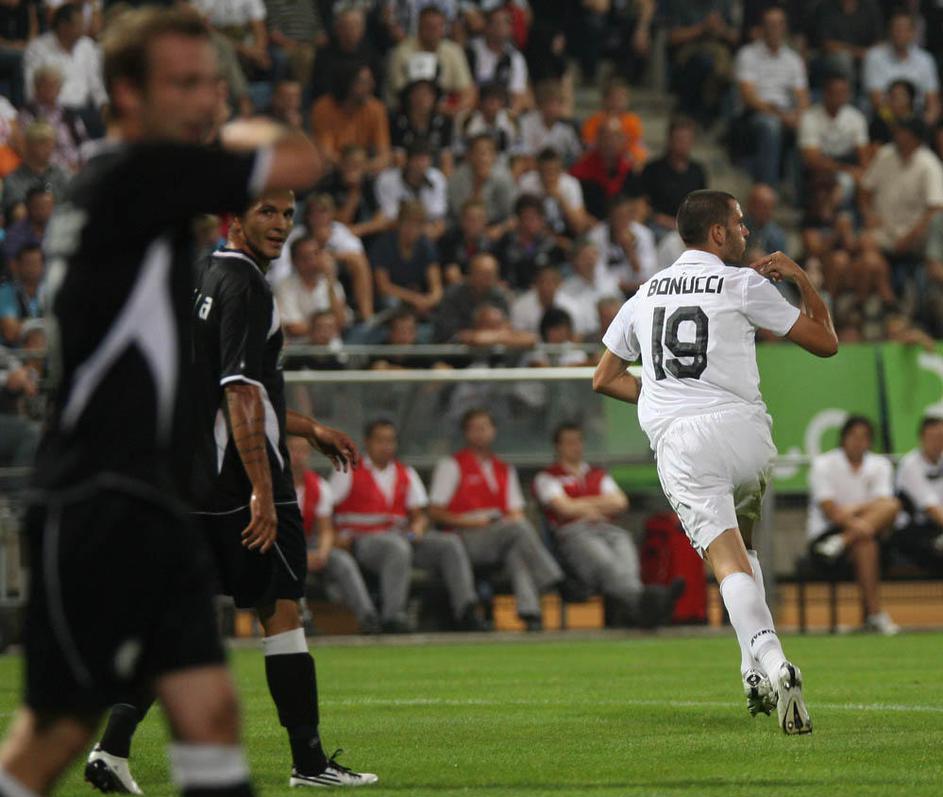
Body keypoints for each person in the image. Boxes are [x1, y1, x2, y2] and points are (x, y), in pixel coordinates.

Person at [0, 7, 324, 797]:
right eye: (184, 83)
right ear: (125, 94)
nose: (206, 100)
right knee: (53, 733)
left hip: (147, 495)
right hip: (98, 497)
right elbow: (299, 157)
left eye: (210, 83)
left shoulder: (113, 186)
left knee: (206, 709)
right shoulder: (143, 178)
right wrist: (236, 122)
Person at [89, 190, 379, 790]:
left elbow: (220, 393)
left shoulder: (204, 275)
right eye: (267, 211)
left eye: (288, 214)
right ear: (235, 218)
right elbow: (241, 393)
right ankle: (308, 762)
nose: (281, 224)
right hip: (239, 480)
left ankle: (110, 750)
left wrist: (310, 428)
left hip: (190, 479)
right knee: (282, 610)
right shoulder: (247, 286)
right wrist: (262, 490)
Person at [594, 189, 839, 733]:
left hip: (686, 443)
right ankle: (750, 672)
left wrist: (661, 396)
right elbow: (826, 342)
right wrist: (800, 277)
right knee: (745, 549)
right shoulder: (742, 283)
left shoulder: (643, 294)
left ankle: (773, 662)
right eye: (740, 223)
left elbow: (604, 377)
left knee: (727, 563)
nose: (746, 232)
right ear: (718, 233)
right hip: (747, 434)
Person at [331, 419, 489, 632]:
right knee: (397, 547)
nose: (386, 446)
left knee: (449, 543)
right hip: (363, 542)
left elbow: (419, 515)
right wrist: (335, 537)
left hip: (402, 538)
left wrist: (418, 527)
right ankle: (393, 616)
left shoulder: (405, 472)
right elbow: (326, 509)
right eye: (380, 441)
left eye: (390, 441)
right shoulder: (349, 470)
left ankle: (466, 610)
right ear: (367, 442)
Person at [428, 408, 564, 631]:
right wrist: (474, 522)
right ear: (466, 433)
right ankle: (553, 580)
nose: (480, 433)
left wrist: (503, 522)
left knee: (517, 547)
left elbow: (516, 511)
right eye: (474, 429)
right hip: (464, 538)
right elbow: (435, 512)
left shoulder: (504, 469)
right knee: (517, 531)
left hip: (498, 534)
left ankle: (530, 613)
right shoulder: (451, 465)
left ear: (493, 431)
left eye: (484, 427)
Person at [534, 423, 681, 627]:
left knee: (627, 559)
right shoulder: (548, 477)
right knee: (607, 563)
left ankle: (643, 607)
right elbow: (564, 508)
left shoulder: (597, 474)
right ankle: (651, 602)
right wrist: (599, 504)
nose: (575, 447)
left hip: (609, 530)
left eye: (578, 441)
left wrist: (579, 505)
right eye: (569, 442)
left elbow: (620, 502)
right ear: (558, 447)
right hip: (573, 535)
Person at [807, 415, 902, 634]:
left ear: (870, 441)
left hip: (855, 537)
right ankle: (875, 615)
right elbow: (830, 510)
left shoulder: (880, 465)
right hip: (825, 536)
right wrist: (859, 518)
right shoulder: (823, 465)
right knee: (866, 538)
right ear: (843, 438)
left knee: (891, 508)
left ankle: (842, 541)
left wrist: (853, 510)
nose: (858, 442)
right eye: (853, 436)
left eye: (864, 437)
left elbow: (886, 504)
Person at [288, 435, 381, 635]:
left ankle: (368, 617)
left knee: (342, 560)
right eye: (293, 450)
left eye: (303, 451)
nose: (298, 456)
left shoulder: (318, 485)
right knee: (289, 561)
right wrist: (301, 555)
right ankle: (302, 618)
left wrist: (322, 553)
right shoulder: (270, 485)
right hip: (280, 546)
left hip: (309, 543)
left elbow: (326, 529)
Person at [734, 6, 810, 187]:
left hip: (787, 112)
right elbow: (748, 97)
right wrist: (781, 116)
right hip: (756, 113)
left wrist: (799, 116)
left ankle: (799, 194)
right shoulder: (747, 55)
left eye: (779, 24)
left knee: (807, 127)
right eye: (770, 24)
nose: (775, 29)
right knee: (771, 126)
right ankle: (769, 189)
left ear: (785, 27)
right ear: (762, 28)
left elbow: (803, 97)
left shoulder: (793, 59)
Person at [310, 61, 391, 176]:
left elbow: (384, 155)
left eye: (370, 81)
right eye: (364, 82)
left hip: (365, 171)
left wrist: (361, 167)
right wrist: (350, 167)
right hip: (333, 171)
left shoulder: (376, 109)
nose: (372, 85)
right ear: (347, 83)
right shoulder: (324, 107)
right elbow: (325, 153)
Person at [863, 10, 940, 126]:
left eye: (906, 30)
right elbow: (876, 101)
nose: (901, 34)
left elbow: (933, 101)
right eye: (897, 29)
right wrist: (898, 127)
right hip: (884, 119)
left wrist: (924, 125)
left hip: (917, 119)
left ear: (913, 33)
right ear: (889, 31)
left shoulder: (925, 59)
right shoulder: (874, 56)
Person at [369, 200, 443, 317]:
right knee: (391, 302)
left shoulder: (426, 246)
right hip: (395, 298)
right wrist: (413, 298)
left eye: (417, 226)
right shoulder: (384, 245)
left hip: (418, 296)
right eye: (408, 224)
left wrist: (430, 300)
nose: (412, 230)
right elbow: (383, 286)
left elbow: (436, 286)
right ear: (399, 223)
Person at [640, 116, 707, 240]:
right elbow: (641, 203)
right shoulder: (652, 169)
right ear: (669, 140)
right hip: (658, 225)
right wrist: (664, 220)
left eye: (687, 140)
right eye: (679, 139)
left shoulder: (697, 171)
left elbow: (703, 206)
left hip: (688, 227)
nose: (683, 144)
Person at [275, 235, 348, 340]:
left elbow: (341, 322)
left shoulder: (332, 283)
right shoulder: (285, 287)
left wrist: (331, 282)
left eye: (316, 254)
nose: (313, 261)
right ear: (294, 261)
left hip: (332, 346)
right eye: (306, 257)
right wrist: (325, 330)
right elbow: (292, 327)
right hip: (300, 346)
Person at [894, 415, 943, 572]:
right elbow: (932, 508)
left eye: (941, 437)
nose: (937, 443)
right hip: (913, 531)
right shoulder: (910, 465)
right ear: (921, 438)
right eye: (932, 438)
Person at [432, 252, 509, 342]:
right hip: (453, 347)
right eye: (484, 273)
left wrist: (490, 336)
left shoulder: (499, 296)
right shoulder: (453, 295)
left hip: (492, 346)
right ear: (471, 273)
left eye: (492, 273)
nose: (489, 278)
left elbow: (506, 329)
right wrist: (476, 337)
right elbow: (447, 332)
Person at [0, 241, 43, 346]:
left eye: (36, 263)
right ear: (16, 265)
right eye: (28, 263)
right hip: (13, 353)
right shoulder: (5, 291)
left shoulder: (48, 292)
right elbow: (10, 332)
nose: (33, 268)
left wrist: (24, 326)